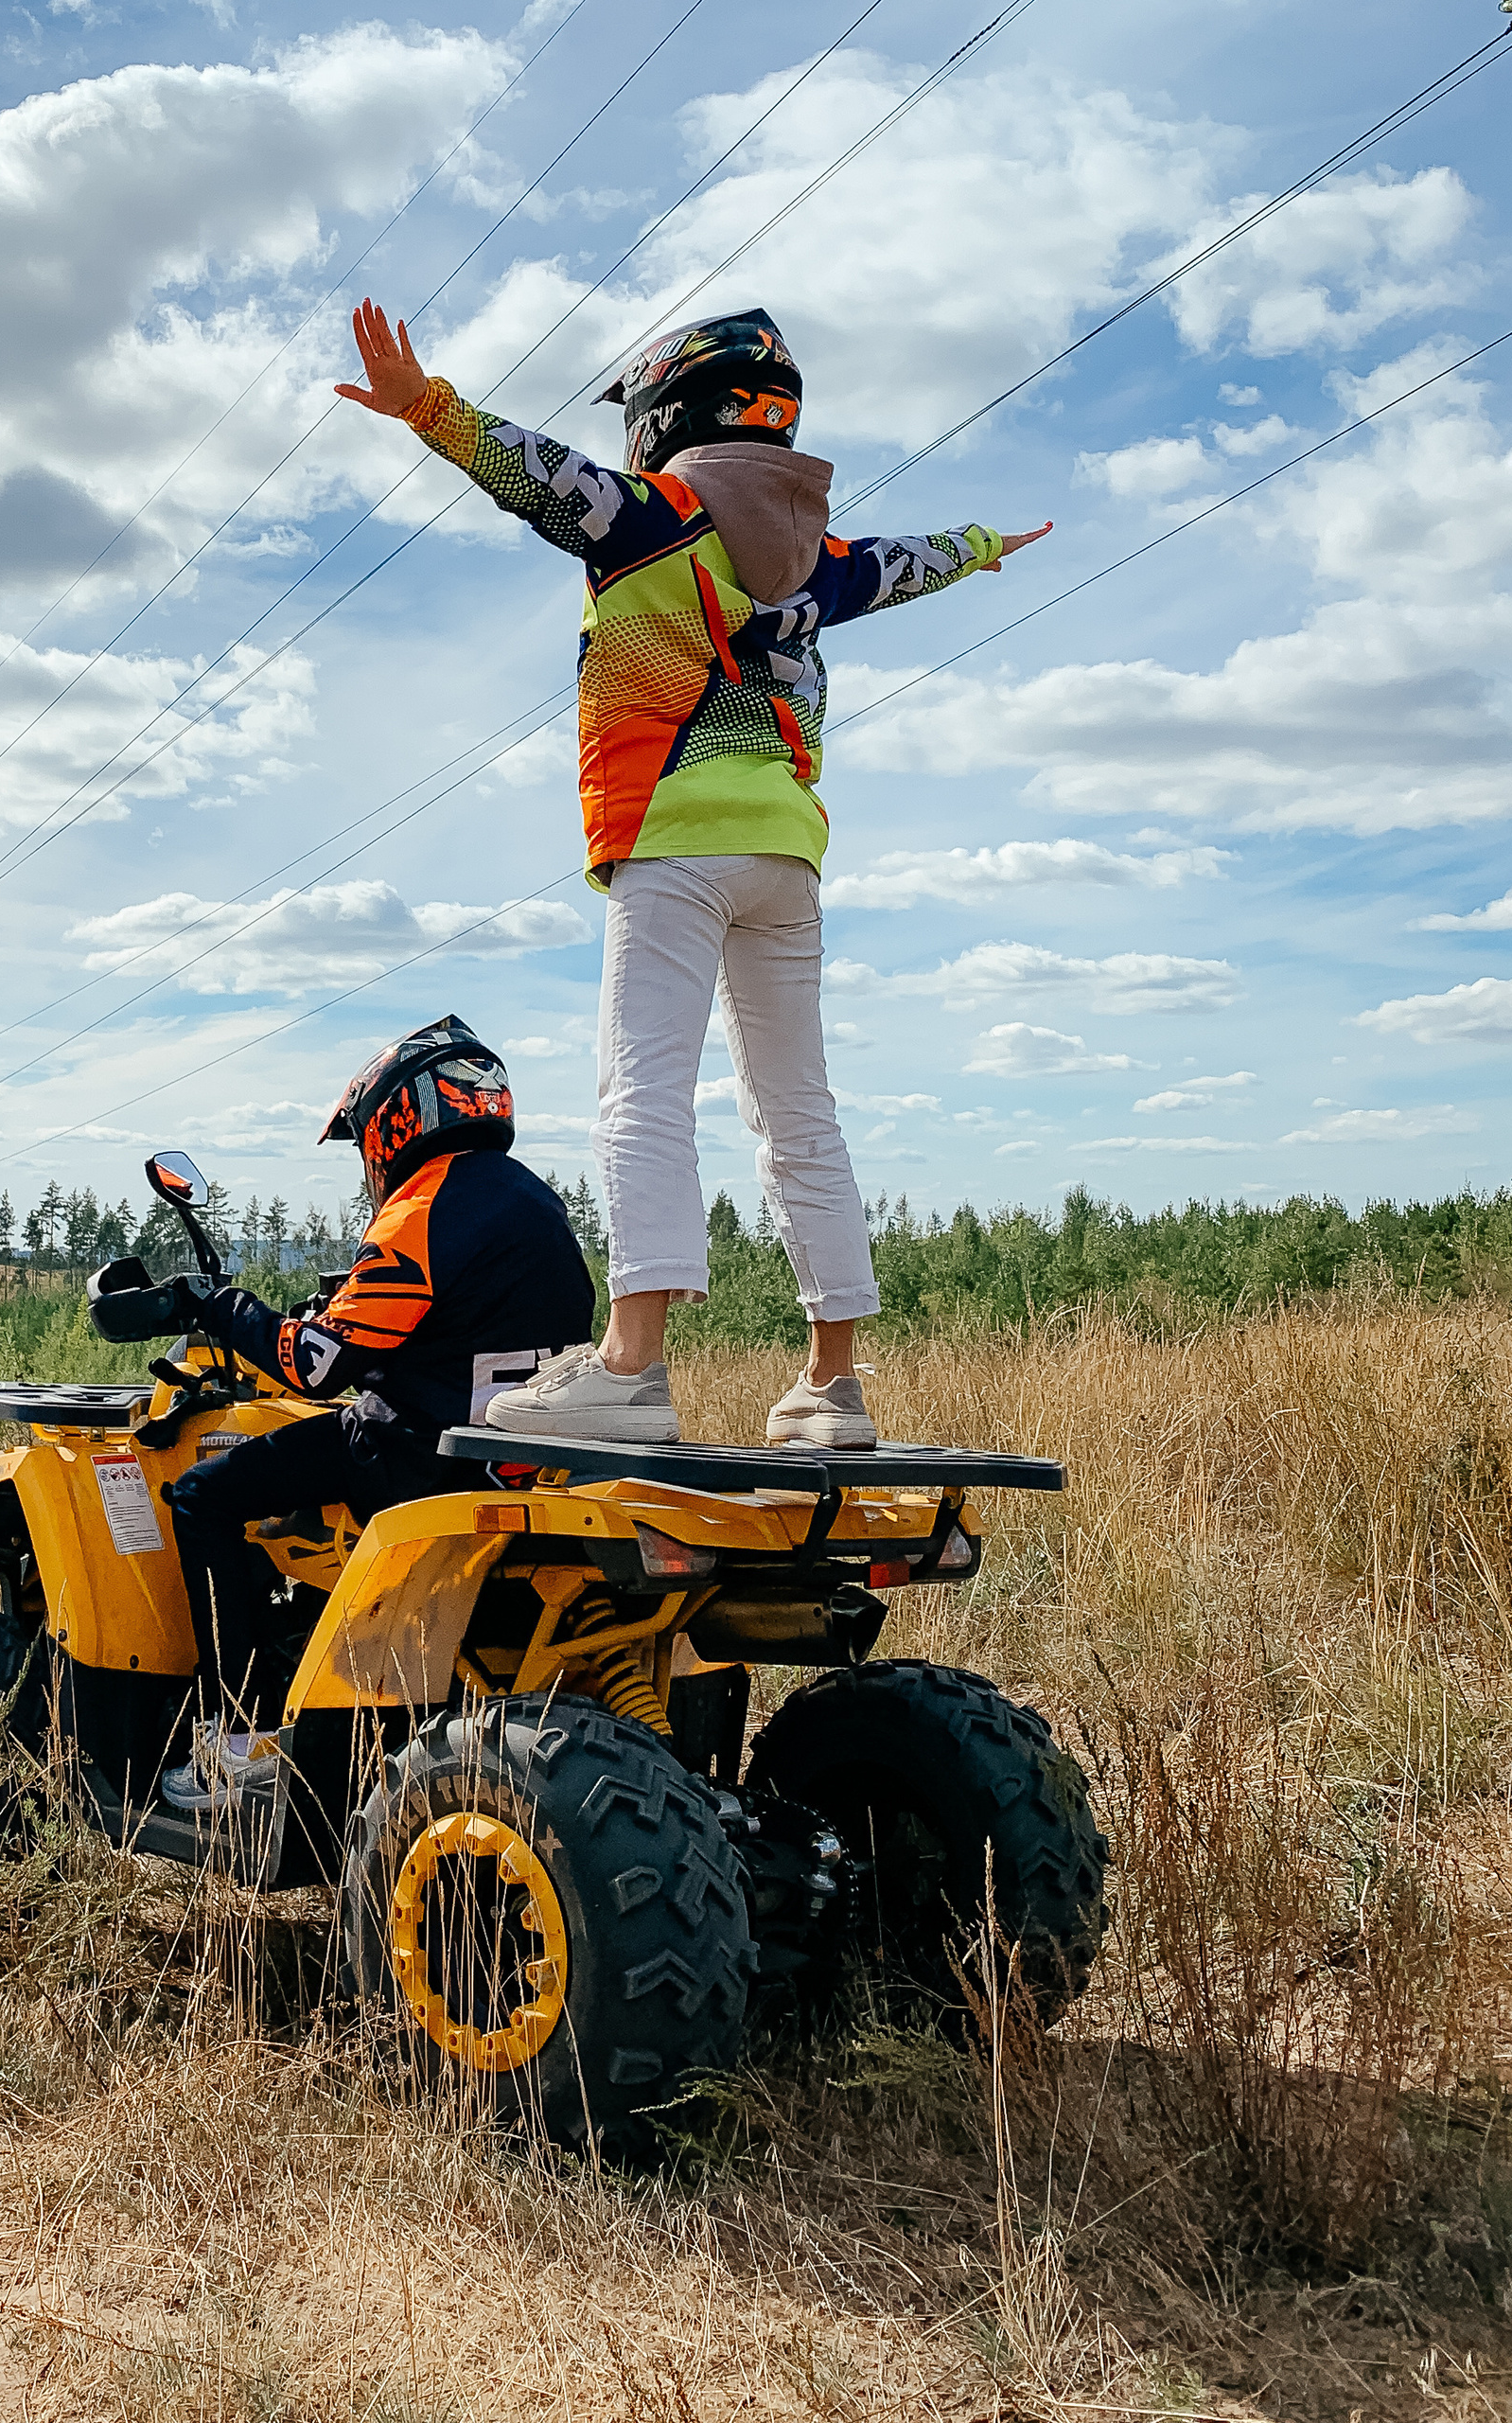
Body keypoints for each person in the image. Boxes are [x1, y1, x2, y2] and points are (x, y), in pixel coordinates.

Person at [335, 301, 1049, 1446]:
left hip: (669, 831)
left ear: (667, 413)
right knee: (798, 1114)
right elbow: (902, 565)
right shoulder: (817, 557)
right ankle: (832, 1382)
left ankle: (630, 1365)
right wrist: (979, 545)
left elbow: (534, 474)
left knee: (644, 1092)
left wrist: (424, 406)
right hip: (786, 853)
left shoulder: (650, 516)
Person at [156, 1016, 595, 1813]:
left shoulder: (422, 1207)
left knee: (200, 1496)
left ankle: (236, 1742)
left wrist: (220, 1306)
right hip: (517, 1454)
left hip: (412, 1455)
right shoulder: (536, 1199)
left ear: (401, 1118)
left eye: (364, 1138)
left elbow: (312, 1366)